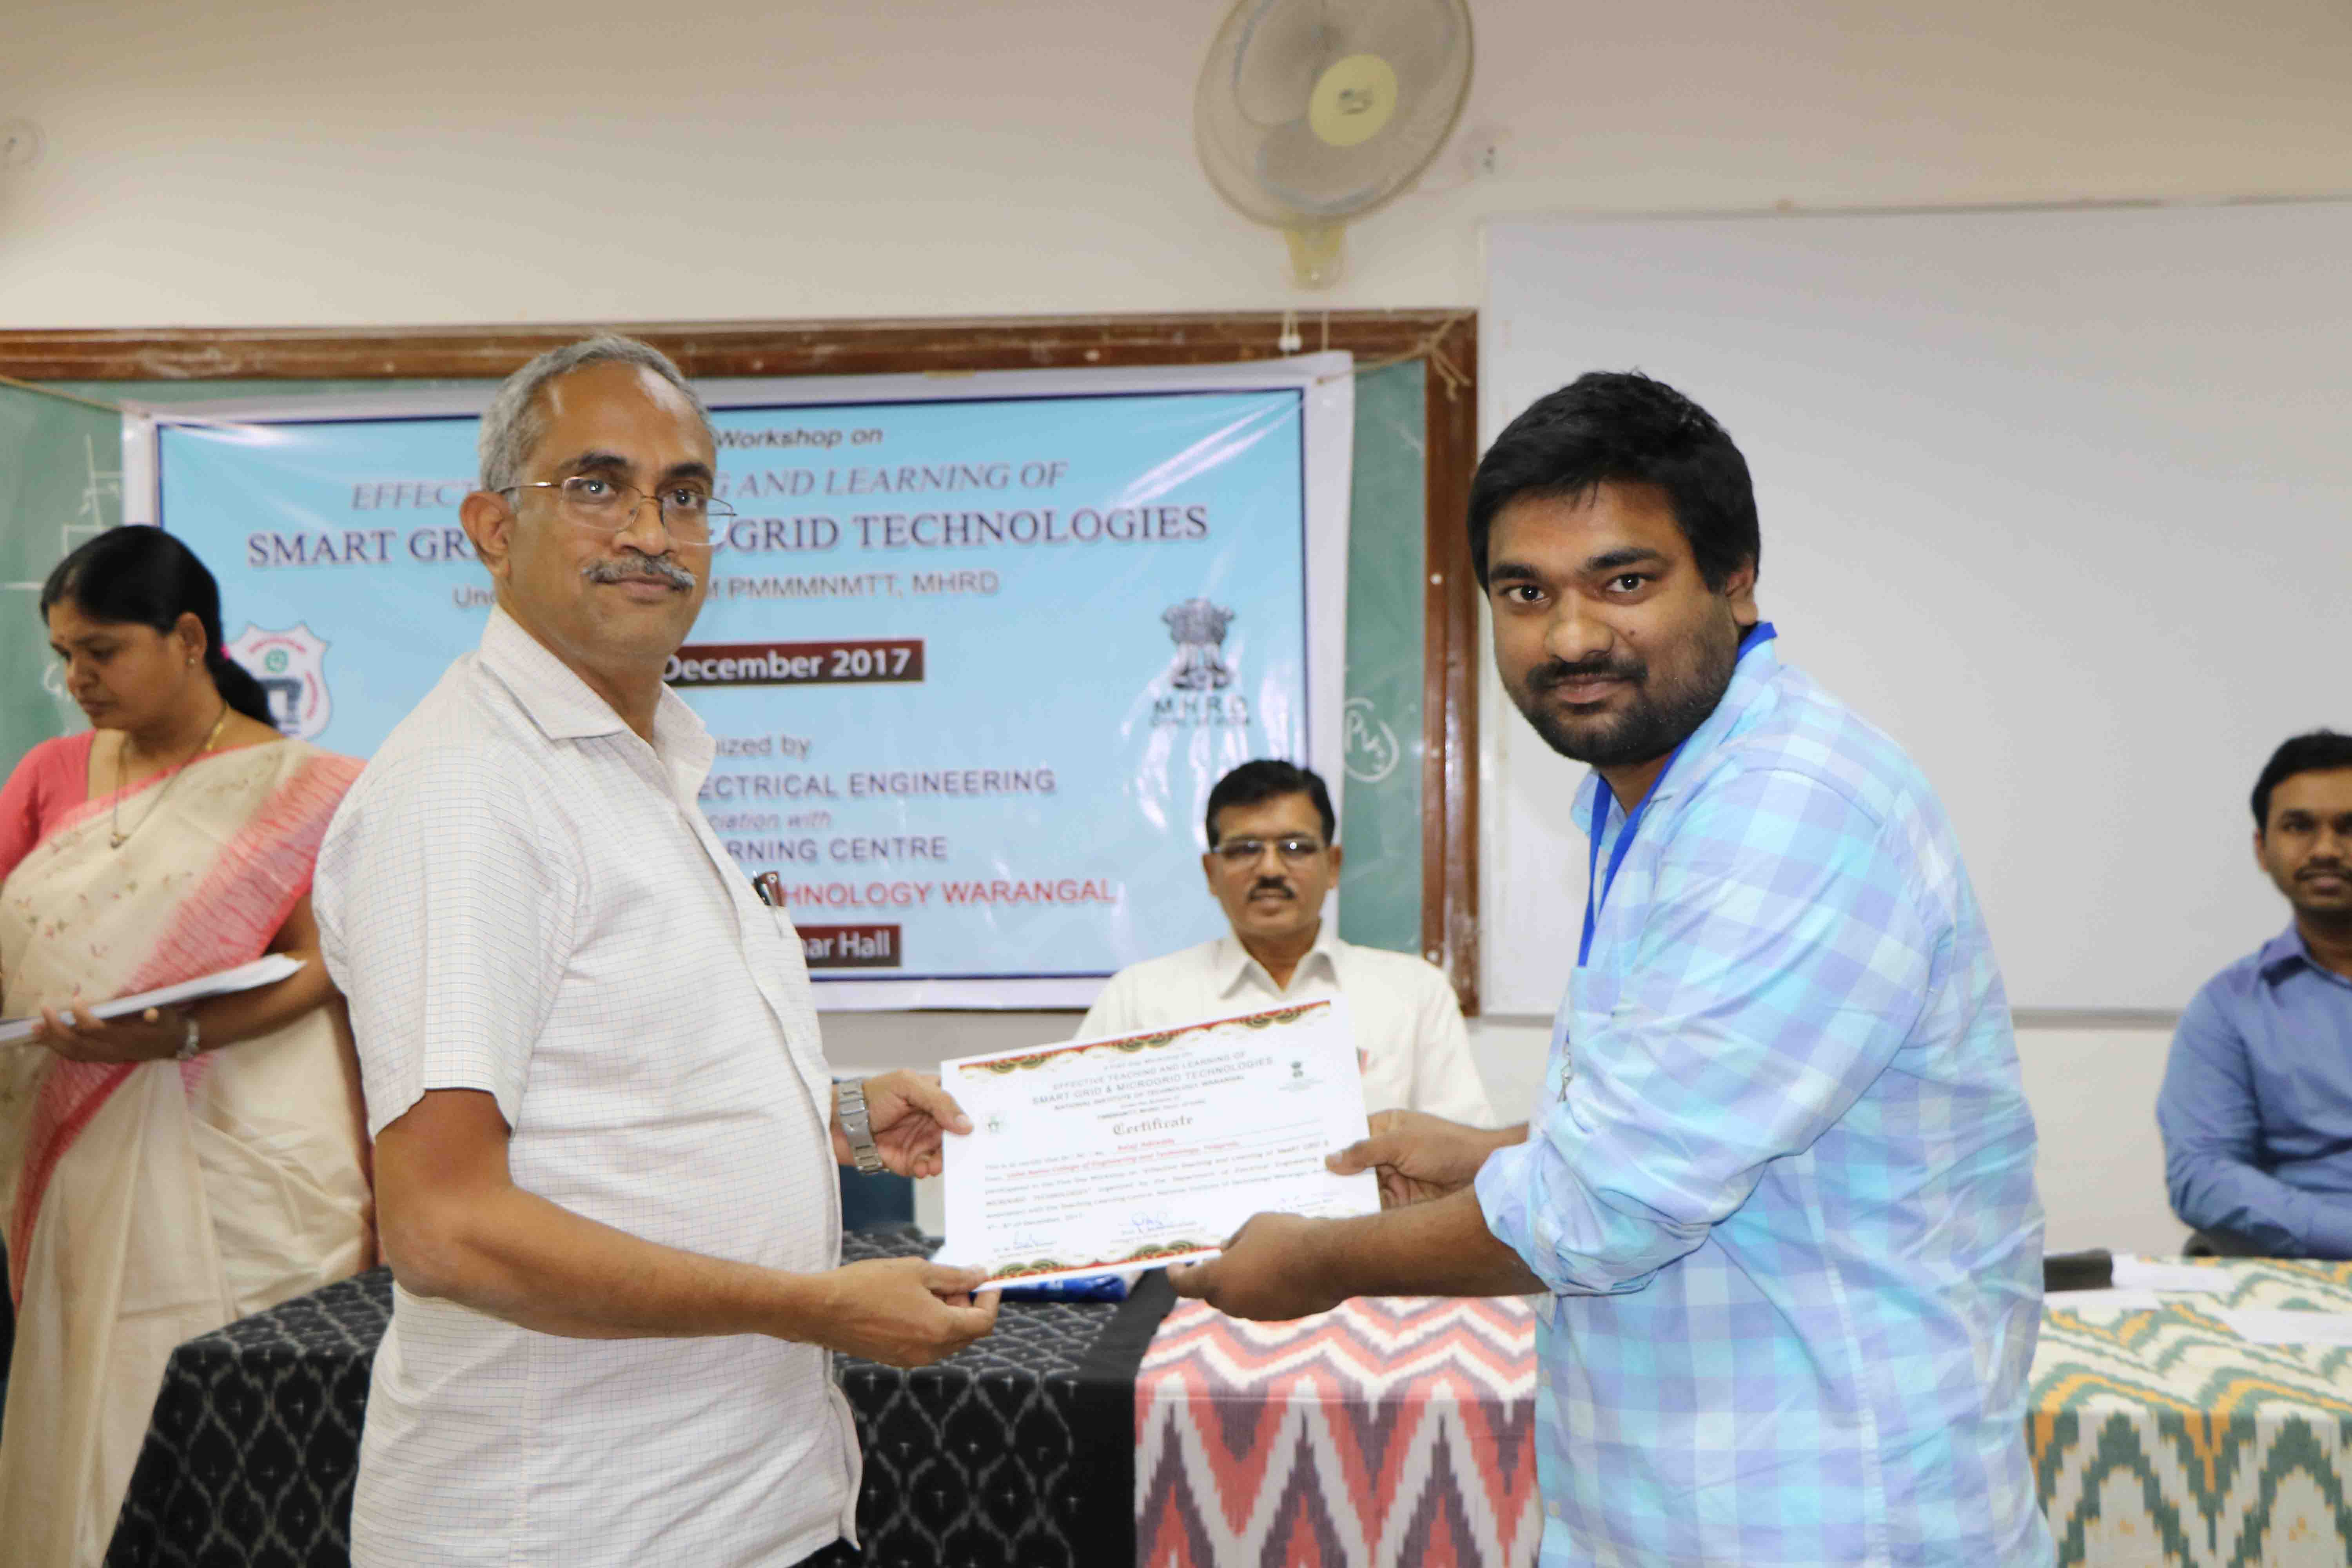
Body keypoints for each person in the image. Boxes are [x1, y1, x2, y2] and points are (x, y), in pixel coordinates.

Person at [1172, 372, 2054, 1566]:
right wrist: (1491, 1153)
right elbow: (1686, 1122)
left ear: (1735, 580)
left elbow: (1609, 1205)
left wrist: (1318, 1261)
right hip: (1678, 1499)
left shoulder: (1787, 807)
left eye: (1623, 582)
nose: (1572, 636)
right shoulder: (1652, 794)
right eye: (1524, 592)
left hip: (1824, 1512)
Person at [314, 336, 997, 1568]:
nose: (650, 530)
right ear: (491, 527)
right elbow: (447, 1225)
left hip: (745, 1508)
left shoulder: (643, 766)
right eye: (597, 485)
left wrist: (841, 1118)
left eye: (684, 495)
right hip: (572, 1529)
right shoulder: (469, 794)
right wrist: (812, 1307)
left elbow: (621, 1102)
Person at [0, 526, 370, 1568]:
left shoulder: (312, 788)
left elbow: (327, 962)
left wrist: (182, 1035)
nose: (78, 679)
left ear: (191, 638)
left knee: (247, 1435)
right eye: (65, 654)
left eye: (102, 650)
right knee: (93, 1412)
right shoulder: (51, 773)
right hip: (82, 1145)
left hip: (246, 1147)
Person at [1078, 759, 1492, 1125]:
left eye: (1295, 847)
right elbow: (1079, 1136)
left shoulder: (1414, 993)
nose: (1270, 870)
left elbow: (1462, 1152)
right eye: (1245, 849)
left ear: (1333, 866)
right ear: (1211, 873)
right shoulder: (1139, 1000)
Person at [2158, 730, 2352, 1258]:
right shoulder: (2229, 1008)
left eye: (2349, 826)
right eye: (2299, 826)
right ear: (2263, 849)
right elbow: (2203, 1176)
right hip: (2304, 1272)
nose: (2327, 849)